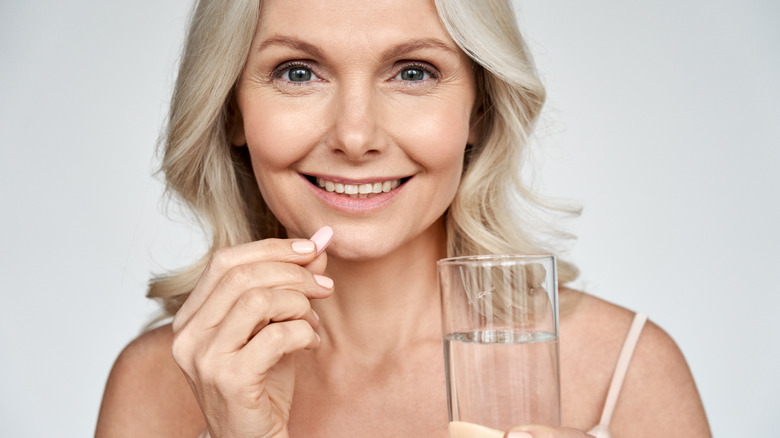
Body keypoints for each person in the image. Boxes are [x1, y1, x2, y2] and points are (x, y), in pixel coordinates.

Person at [95, 0, 711, 437]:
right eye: (298, 72)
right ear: (232, 110)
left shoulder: (624, 372)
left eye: (413, 72)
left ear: (479, 110)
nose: (355, 135)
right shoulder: (157, 383)